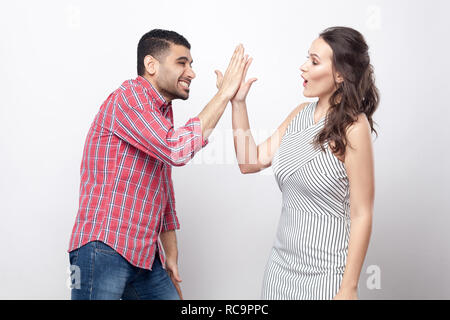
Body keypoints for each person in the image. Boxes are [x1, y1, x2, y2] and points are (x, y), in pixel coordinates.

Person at [67, 29, 250, 300]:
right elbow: (177, 150)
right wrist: (223, 95)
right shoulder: (129, 98)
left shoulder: (160, 112)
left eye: (191, 64)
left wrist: (171, 253)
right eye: (182, 62)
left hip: (143, 254)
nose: (191, 72)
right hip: (102, 245)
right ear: (151, 65)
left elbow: (161, 185)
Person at [217, 26, 379, 299]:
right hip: (281, 271)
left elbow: (362, 214)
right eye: (307, 58)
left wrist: (348, 287)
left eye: (314, 62)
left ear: (340, 74)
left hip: (327, 275)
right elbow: (250, 161)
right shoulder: (300, 114)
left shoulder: (354, 127)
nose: (303, 67)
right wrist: (238, 103)